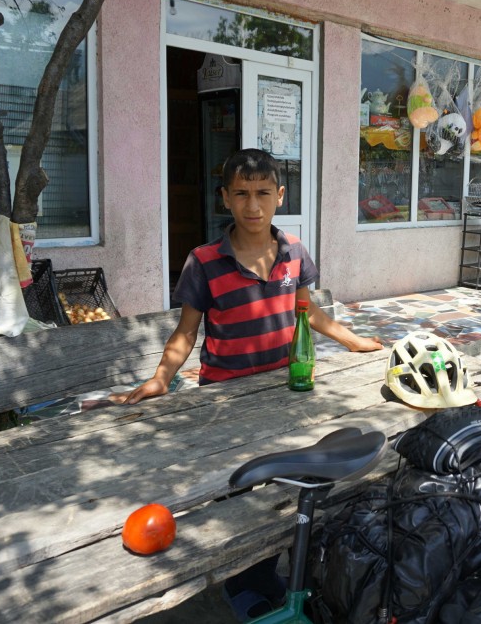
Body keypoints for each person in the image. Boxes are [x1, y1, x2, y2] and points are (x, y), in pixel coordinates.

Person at [114, 147, 382, 618]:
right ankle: (247, 582)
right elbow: (186, 331)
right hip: (224, 400)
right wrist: (161, 378)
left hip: (284, 392)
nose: (252, 206)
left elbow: (308, 310)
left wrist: (352, 340)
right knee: (238, 490)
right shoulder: (204, 261)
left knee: (292, 481)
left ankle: (290, 564)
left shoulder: (294, 252)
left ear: (280, 195)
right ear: (225, 198)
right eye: (241, 194)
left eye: (262, 193)